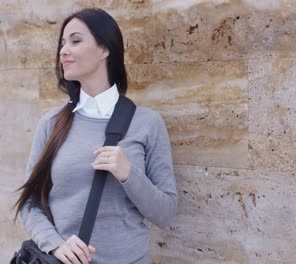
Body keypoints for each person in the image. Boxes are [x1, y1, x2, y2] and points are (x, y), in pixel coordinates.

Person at [14, 8, 177, 264]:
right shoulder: (52, 123)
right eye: (62, 43)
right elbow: (29, 203)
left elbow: (165, 212)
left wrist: (128, 173)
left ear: (105, 49)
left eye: (75, 41)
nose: (64, 50)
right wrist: (55, 244)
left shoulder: (147, 123)